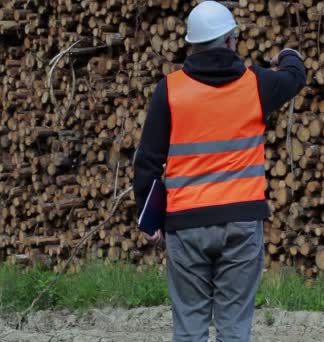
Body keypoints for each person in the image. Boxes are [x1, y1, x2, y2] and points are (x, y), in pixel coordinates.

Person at [133, 1, 306, 341]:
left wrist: (148, 218)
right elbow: (295, 77)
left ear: (191, 44)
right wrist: (288, 53)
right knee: (234, 329)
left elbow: (148, 161)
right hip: (241, 224)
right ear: (230, 41)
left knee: (189, 329)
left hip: (185, 227)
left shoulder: (171, 89)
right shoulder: (256, 85)